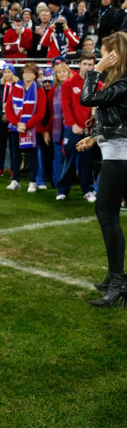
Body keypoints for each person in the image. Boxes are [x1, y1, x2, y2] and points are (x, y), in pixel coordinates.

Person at [78, 32, 127, 307]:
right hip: (116, 153)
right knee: (106, 214)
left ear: (115, 55)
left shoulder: (123, 82)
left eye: (106, 52)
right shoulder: (119, 83)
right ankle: (115, 276)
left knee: (106, 214)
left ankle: (118, 281)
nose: (101, 57)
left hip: (121, 158)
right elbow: (114, 117)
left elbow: (89, 99)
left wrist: (95, 70)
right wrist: (95, 138)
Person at [56, 52, 99, 202]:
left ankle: (87, 190)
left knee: (86, 162)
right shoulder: (69, 83)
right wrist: (73, 124)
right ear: (79, 64)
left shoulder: (98, 84)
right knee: (68, 160)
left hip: (89, 131)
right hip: (71, 128)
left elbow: (99, 109)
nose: (87, 67)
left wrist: (95, 128)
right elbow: (66, 106)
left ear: (94, 66)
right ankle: (62, 190)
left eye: (90, 64)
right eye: (85, 64)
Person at [4, 61, 47, 191]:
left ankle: (32, 182)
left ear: (35, 75)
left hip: (33, 129)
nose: (27, 75)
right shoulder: (16, 87)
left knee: (33, 156)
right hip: (15, 127)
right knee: (15, 154)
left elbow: (40, 112)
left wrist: (27, 125)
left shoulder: (39, 89)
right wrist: (17, 124)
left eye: (30, 73)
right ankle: (15, 180)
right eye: (25, 72)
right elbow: (9, 108)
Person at [43, 62, 73, 187]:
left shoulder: (73, 87)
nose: (61, 74)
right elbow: (48, 113)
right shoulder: (52, 91)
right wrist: (46, 131)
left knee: (72, 156)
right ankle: (57, 183)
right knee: (58, 157)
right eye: (59, 72)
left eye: (64, 71)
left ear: (68, 72)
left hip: (72, 126)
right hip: (56, 129)